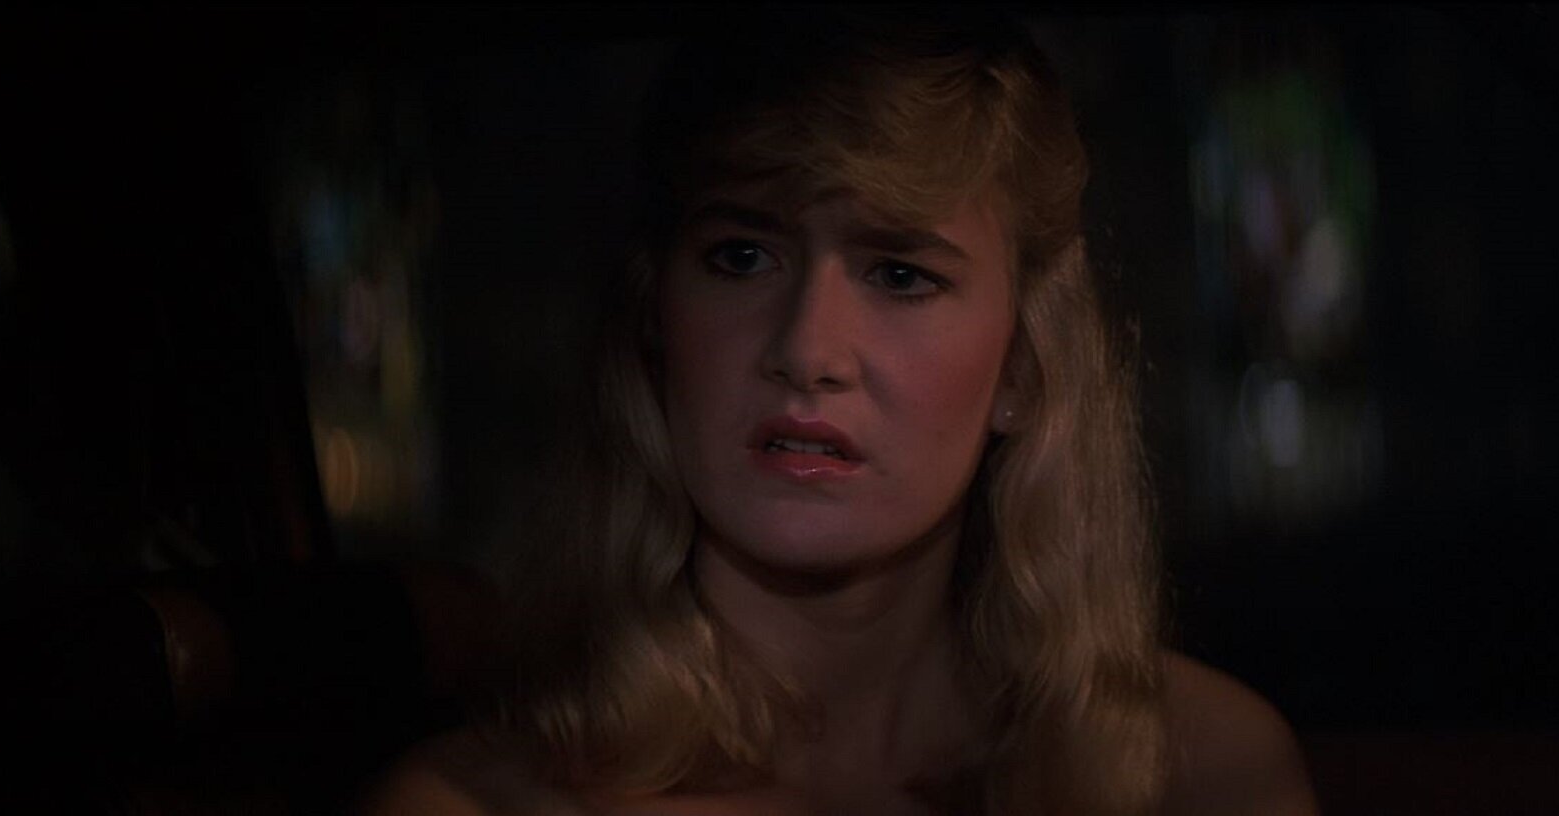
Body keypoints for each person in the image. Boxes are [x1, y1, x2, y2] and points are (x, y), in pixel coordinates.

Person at [372, 8, 1316, 815]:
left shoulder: (1203, 774)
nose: (806, 350)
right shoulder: (469, 803)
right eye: (742, 257)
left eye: (899, 274)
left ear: (1023, 367)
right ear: (656, 321)